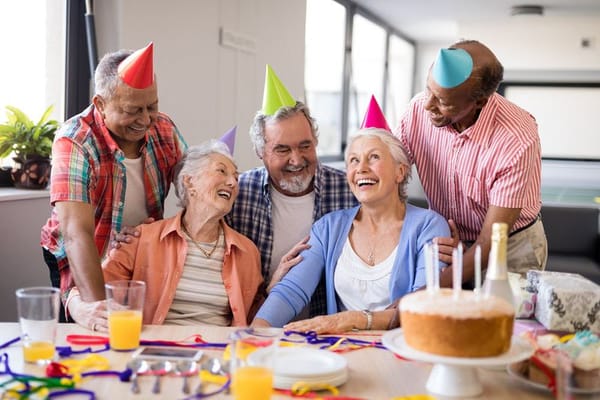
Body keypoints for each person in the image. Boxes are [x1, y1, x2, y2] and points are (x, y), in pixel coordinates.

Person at [251, 97, 450, 333]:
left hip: (401, 351)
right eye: (354, 160)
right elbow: (291, 291)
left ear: (400, 171)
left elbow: (423, 306)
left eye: (374, 157)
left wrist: (354, 319)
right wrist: (254, 334)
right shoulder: (328, 228)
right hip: (341, 352)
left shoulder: (429, 226)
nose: (361, 168)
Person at [40, 43, 187, 321]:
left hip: (136, 250)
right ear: (100, 104)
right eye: (133, 110)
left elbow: (193, 184)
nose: (145, 120)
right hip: (82, 250)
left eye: (151, 106)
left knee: (135, 327)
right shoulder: (74, 141)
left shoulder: (163, 128)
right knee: (87, 325)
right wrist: (99, 311)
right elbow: (75, 233)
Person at [67, 140, 263, 331]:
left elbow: (255, 319)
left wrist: (270, 289)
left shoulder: (247, 251)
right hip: (156, 351)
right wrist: (78, 308)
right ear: (189, 181)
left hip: (219, 354)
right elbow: (86, 291)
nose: (232, 182)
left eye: (236, 178)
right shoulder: (143, 239)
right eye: (222, 171)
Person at [395, 39, 547, 286]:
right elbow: (391, 175)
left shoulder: (517, 137)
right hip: (447, 238)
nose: (427, 105)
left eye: (443, 102)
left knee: (503, 321)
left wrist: (424, 293)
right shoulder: (417, 111)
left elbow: (489, 243)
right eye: (428, 90)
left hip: (509, 245)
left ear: (480, 101)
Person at [225, 65, 358, 317]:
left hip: (328, 329)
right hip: (261, 324)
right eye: (283, 150)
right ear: (260, 152)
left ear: (316, 142)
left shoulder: (348, 191)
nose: (296, 160)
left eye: (305, 146)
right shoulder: (238, 195)